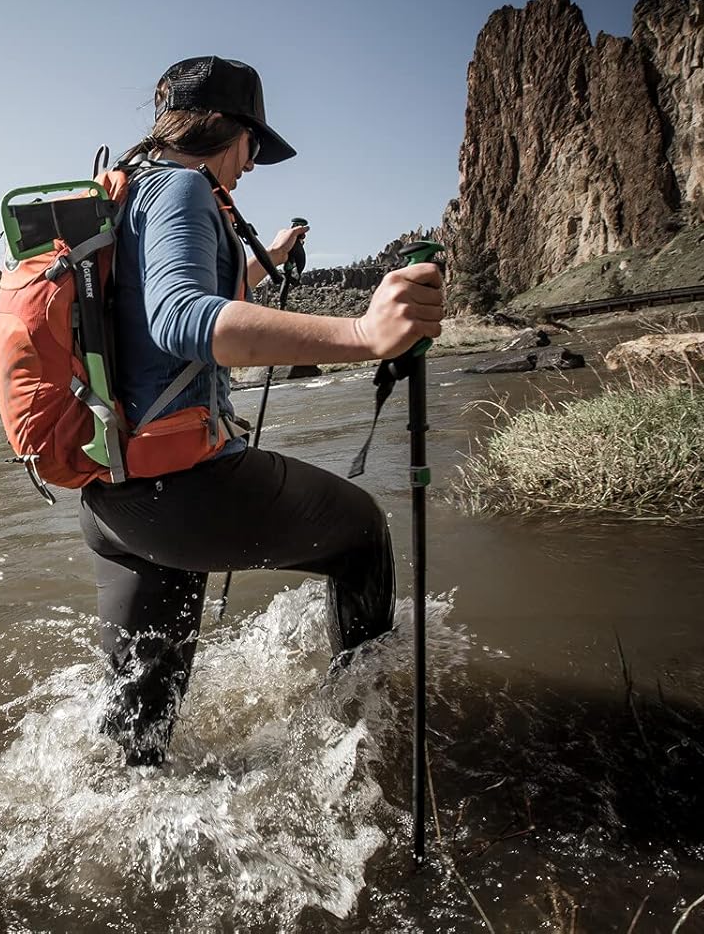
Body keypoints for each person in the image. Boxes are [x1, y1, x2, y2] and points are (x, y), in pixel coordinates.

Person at [81, 56, 445, 766]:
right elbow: (184, 320)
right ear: (233, 130)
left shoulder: (125, 189)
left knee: (135, 741)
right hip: (184, 493)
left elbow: (151, 311)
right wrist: (363, 335)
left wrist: (265, 257)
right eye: (254, 147)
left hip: (113, 502)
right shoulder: (186, 188)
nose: (251, 166)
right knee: (362, 533)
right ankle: (368, 734)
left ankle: (117, 827)